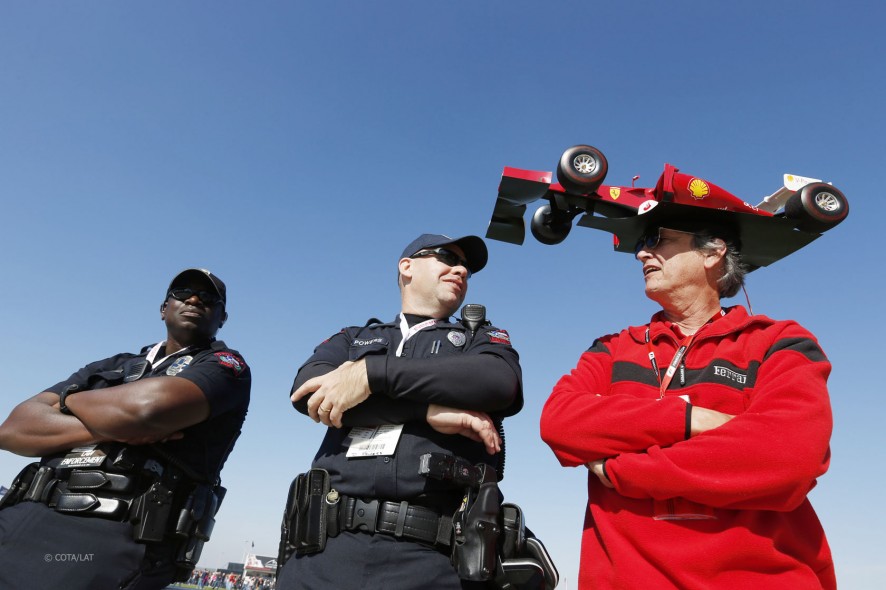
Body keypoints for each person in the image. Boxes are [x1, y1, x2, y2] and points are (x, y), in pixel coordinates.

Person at [540, 201, 836, 589]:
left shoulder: (779, 342)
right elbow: (560, 422)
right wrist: (688, 419)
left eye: (658, 239)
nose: (642, 253)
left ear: (713, 252)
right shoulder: (612, 348)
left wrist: (619, 468)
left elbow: (789, 456)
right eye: (642, 244)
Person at [276, 233, 523, 590]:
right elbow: (308, 391)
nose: (461, 270)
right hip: (321, 553)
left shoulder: (479, 341)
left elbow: (498, 383)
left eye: (466, 267)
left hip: (430, 560)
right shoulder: (354, 337)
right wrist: (426, 411)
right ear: (407, 266)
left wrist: (371, 374)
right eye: (447, 257)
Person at [0, 268, 251, 590]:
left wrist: (67, 402)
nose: (193, 299)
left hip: (112, 534)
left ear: (222, 316)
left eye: (208, 298)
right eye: (182, 292)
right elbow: (14, 429)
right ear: (163, 308)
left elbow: (144, 411)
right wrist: (110, 427)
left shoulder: (225, 366)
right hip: (23, 514)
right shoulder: (112, 365)